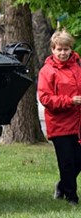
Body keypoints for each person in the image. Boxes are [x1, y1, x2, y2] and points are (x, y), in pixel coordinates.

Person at [37, 30, 81, 206]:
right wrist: (69, 101)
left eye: (66, 49)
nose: (63, 53)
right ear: (53, 50)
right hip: (59, 124)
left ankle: (62, 185)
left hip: (78, 122)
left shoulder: (78, 67)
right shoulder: (47, 71)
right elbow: (45, 98)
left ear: (71, 49)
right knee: (67, 161)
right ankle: (71, 197)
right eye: (59, 49)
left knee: (78, 159)